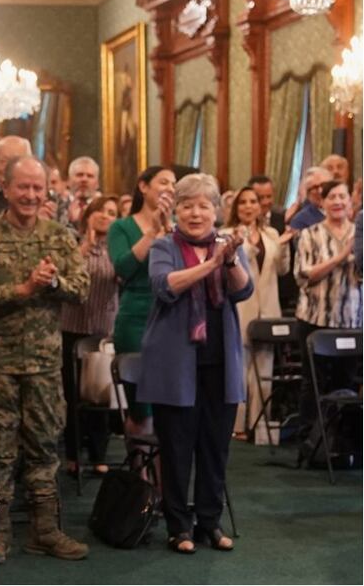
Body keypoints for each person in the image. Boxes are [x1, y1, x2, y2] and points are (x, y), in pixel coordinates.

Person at [0, 155, 91, 564]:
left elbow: (80, 288)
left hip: (43, 362)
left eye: (38, 188)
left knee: (44, 446)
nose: (31, 195)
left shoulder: (59, 237)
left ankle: (46, 529)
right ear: (6, 188)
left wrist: (52, 282)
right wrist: (23, 289)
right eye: (23, 187)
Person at [138, 173, 253, 554]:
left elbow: (244, 289)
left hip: (221, 363)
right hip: (174, 365)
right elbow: (164, 286)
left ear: (216, 211)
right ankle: (178, 527)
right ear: (177, 210)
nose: (195, 212)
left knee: (215, 448)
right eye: (187, 205)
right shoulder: (163, 245)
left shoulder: (228, 245)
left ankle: (210, 522)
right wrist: (210, 265)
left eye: (204, 205)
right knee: (177, 449)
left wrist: (230, 259)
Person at [108, 166, 176, 434]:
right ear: (144, 186)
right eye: (163, 182)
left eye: (174, 184)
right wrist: (152, 233)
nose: (170, 188)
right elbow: (123, 268)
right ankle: (141, 474)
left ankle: (164, 473)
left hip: (170, 316)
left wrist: (168, 229)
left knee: (167, 406)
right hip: (136, 316)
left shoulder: (177, 227)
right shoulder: (121, 227)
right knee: (141, 408)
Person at [221, 186, 291, 443]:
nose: (249, 206)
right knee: (239, 369)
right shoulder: (226, 234)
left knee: (264, 368)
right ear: (235, 207)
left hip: (268, 308)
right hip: (241, 308)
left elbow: (283, 270)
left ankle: (259, 425)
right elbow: (231, 267)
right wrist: (246, 246)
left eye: (253, 202)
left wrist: (283, 246)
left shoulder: (271, 233)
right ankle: (236, 425)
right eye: (243, 203)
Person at [294, 180, 361, 430]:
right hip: (315, 319)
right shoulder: (309, 234)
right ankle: (309, 439)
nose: (338, 202)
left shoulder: (359, 233)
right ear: (321, 202)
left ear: (350, 200)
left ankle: (341, 441)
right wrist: (342, 257)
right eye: (332, 197)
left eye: (343, 196)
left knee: (346, 382)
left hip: (352, 320)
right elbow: (305, 275)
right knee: (313, 382)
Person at [61, 196, 120, 476]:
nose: (105, 216)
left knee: (100, 397)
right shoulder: (72, 241)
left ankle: (99, 454)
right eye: (101, 211)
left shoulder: (118, 248)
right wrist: (86, 245)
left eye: (112, 213)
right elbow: (66, 274)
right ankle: (73, 454)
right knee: (73, 397)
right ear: (89, 214)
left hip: (103, 331)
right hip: (72, 328)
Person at [58, 157, 101, 228]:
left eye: (90, 176)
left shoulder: (104, 210)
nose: (84, 179)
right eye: (79, 175)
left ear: (97, 184)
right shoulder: (57, 207)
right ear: (68, 181)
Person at [287, 166, 333, 231]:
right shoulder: (300, 220)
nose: (320, 191)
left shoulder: (342, 212)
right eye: (315, 187)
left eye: (324, 185)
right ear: (308, 194)